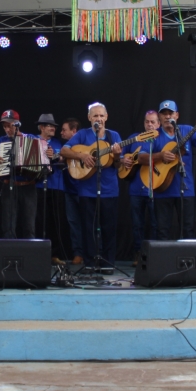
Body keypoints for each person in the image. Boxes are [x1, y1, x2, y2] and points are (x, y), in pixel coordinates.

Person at [60, 103, 123, 272]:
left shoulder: (113, 136)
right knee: (88, 228)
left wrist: (117, 156)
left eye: (101, 116)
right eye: (95, 116)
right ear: (89, 118)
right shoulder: (82, 135)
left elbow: (117, 165)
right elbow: (64, 151)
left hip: (109, 190)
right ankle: (89, 263)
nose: (99, 119)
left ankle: (108, 264)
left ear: (107, 117)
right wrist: (81, 155)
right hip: (87, 190)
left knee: (109, 229)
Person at [147, 100, 196, 240]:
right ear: (159, 117)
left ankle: (187, 260)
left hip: (185, 187)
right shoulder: (154, 135)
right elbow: (141, 157)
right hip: (162, 188)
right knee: (162, 229)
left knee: (188, 228)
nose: (167, 117)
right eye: (164, 114)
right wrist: (160, 155)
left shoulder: (187, 130)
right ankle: (163, 261)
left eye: (171, 113)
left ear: (177, 115)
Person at [0, 110, 39, 239]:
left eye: (10, 125)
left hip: (28, 186)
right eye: (5, 126)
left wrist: (49, 152)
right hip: (9, 186)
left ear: (18, 124)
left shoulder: (31, 139)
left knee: (29, 227)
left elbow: (43, 154)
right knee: (8, 226)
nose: (7, 129)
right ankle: (10, 257)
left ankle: (29, 257)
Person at [127, 110, 160, 266]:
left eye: (153, 122)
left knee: (155, 223)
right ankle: (138, 254)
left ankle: (153, 254)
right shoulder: (135, 138)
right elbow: (120, 155)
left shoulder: (161, 139)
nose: (150, 124)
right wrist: (123, 160)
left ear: (159, 124)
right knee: (137, 224)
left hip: (155, 187)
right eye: (147, 121)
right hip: (135, 188)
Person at [34, 113, 67, 263]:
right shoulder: (33, 141)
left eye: (54, 126)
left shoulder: (58, 143)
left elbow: (63, 158)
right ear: (41, 127)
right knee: (39, 220)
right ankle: (39, 252)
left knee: (56, 221)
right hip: (37, 185)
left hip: (56, 186)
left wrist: (55, 156)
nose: (53, 128)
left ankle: (55, 254)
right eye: (49, 126)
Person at [60, 118, 84, 265]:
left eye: (64, 130)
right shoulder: (65, 148)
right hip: (69, 190)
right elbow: (62, 153)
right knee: (73, 222)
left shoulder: (85, 143)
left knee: (87, 223)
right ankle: (78, 253)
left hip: (83, 190)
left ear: (74, 132)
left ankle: (91, 253)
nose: (61, 132)